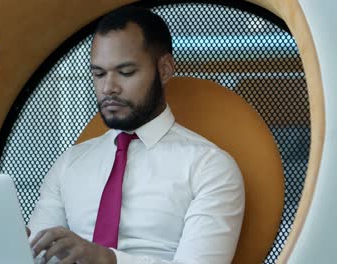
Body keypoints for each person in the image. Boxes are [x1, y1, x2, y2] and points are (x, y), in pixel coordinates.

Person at [27, 6, 244, 264]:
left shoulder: (209, 167)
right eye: (98, 74)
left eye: (126, 72)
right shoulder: (69, 163)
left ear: (164, 69)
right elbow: (36, 254)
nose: (108, 88)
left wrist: (106, 258)